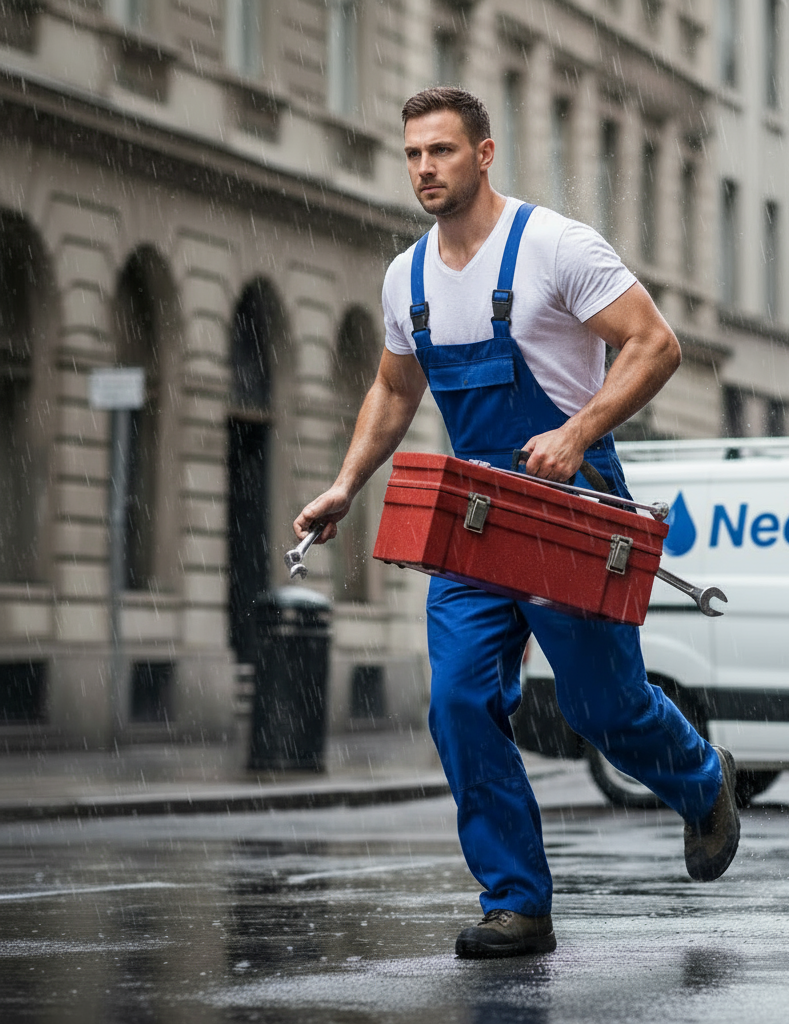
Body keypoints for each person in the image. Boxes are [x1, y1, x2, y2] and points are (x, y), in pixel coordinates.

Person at [293, 87, 740, 959]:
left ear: (484, 154)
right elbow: (393, 389)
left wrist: (576, 431)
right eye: (414, 153)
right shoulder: (406, 278)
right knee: (460, 702)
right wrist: (346, 483)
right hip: (474, 517)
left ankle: (701, 780)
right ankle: (517, 902)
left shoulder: (555, 247)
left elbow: (655, 345)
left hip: (572, 503)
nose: (425, 168)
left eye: (443, 151)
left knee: (602, 709)